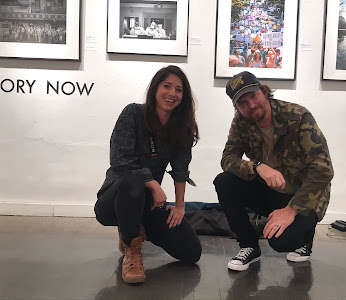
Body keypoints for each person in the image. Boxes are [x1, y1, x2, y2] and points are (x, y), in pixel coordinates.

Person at [213, 71, 333, 271]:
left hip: (304, 197)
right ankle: (249, 246)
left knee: (281, 243)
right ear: (237, 107)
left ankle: (304, 237)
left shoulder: (298, 117)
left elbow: (323, 169)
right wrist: (256, 167)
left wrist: (290, 210)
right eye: (242, 102)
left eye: (253, 95)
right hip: (272, 191)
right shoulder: (241, 122)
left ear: (263, 91)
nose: (251, 105)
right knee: (224, 181)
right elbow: (227, 159)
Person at [95, 65, 202, 283]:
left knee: (191, 252)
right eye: (167, 86)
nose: (172, 93)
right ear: (155, 88)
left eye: (179, 89)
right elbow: (121, 160)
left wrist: (180, 206)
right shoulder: (133, 113)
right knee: (134, 181)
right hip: (114, 201)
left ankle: (133, 227)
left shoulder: (181, 126)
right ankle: (132, 249)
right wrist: (153, 184)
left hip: (148, 204)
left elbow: (181, 168)